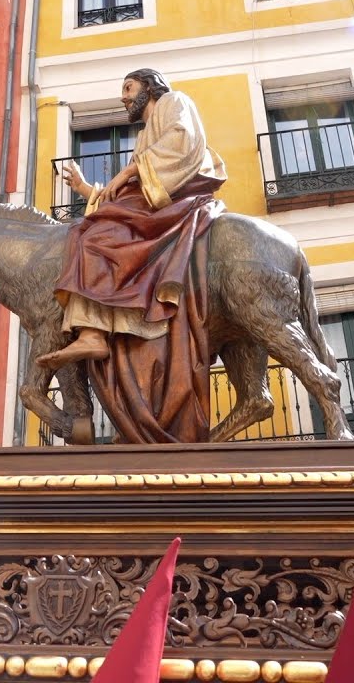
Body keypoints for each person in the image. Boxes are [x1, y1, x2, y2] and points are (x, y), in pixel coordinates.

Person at [41, 68, 227, 444]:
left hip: (176, 200)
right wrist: (86, 189)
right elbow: (128, 195)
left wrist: (128, 170)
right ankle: (94, 331)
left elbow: (182, 141)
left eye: (128, 88)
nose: (124, 96)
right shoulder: (143, 137)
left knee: (92, 235)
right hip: (153, 207)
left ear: (149, 87)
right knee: (86, 231)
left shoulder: (174, 101)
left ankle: (92, 333)